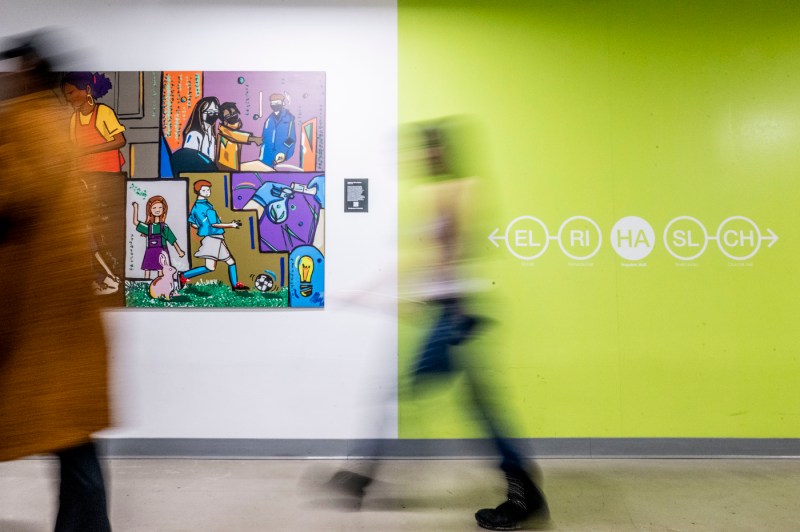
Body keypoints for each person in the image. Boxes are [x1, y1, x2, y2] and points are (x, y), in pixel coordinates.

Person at [329, 119, 547, 531]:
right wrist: (368, 290)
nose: (423, 157)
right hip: (446, 311)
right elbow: (421, 257)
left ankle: (362, 475)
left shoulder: (457, 190)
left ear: (443, 152)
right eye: (419, 150)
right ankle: (361, 476)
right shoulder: (432, 193)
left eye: (430, 149)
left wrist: (450, 306)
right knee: (468, 403)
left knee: (457, 403)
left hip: (453, 314)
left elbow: (451, 250)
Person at [0, 34, 112, 531]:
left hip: (32, 318)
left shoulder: (23, 128)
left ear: (25, 72)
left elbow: (12, 196)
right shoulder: (55, 131)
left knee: (68, 436)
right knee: (74, 439)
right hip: (64, 317)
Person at [181, 179, 248, 291]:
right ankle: (183, 276)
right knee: (210, 267)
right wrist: (231, 225)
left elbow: (192, 222)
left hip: (216, 238)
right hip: (212, 239)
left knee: (230, 261)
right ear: (198, 191)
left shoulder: (197, 206)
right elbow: (215, 224)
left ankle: (236, 285)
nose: (208, 192)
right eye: (204, 190)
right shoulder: (207, 208)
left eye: (208, 190)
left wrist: (202, 227)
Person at [61, 71, 127, 174]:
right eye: (66, 95)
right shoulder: (74, 118)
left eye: (71, 93)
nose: (68, 99)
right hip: (85, 172)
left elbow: (120, 141)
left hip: (108, 172)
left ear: (87, 89)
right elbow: (75, 147)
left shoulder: (104, 111)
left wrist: (88, 150)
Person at [132, 195, 185, 279]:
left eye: (160, 207)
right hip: (150, 251)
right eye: (154, 208)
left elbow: (172, 240)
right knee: (147, 269)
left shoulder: (164, 227)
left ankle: (161, 285)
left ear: (163, 209)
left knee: (161, 270)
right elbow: (135, 222)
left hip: (162, 251)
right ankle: (146, 284)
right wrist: (136, 208)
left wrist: (179, 251)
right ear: (150, 210)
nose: (157, 210)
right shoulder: (148, 227)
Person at [216, 101, 262, 172]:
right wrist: (253, 139)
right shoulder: (224, 131)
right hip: (224, 167)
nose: (232, 116)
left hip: (234, 167)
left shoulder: (234, 128)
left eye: (234, 113)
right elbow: (234, 136)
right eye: (228, 116)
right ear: (224, 120)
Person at [258, 92, 295, 167]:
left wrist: (284, 152)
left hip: (281, 156)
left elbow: (291, 138)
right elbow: (264, 138)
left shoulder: (289, 118)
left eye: (277, 102)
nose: (274, 105)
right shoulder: (269, 120)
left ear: (283, 103)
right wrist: (262, 154)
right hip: (266, 156)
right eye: (272, 103)